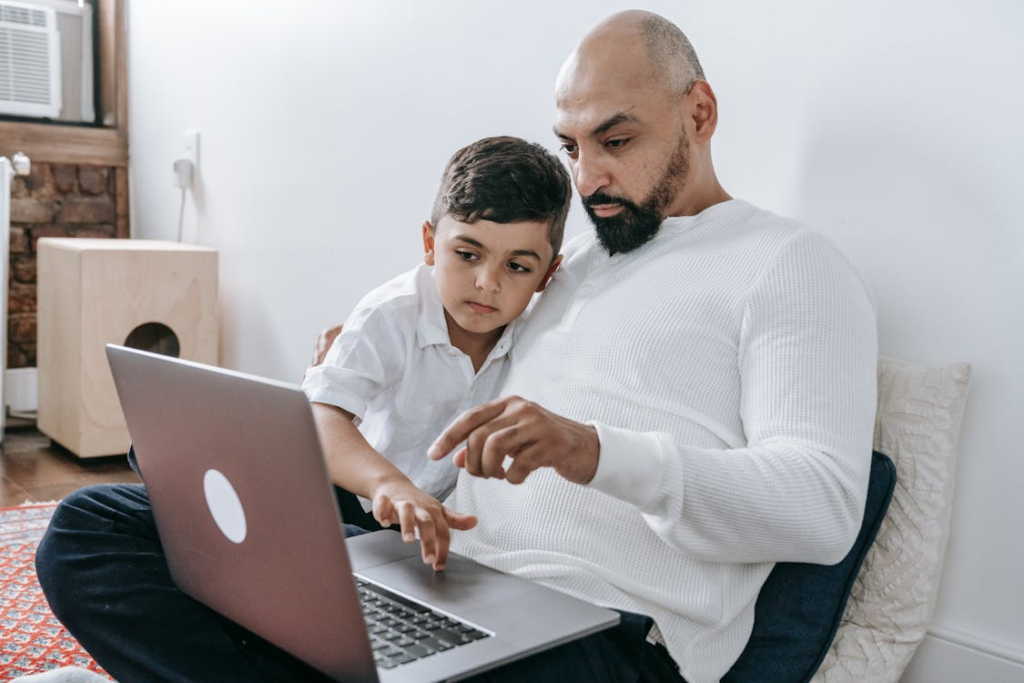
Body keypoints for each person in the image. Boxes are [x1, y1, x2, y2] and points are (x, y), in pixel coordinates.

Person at [35, 10, 877, 683]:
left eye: (615, 141)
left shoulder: (787, 264)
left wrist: (592, 450)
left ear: (700, 111)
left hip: (603, 630)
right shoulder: (563, 266)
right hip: (437, 573)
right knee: (90, 531)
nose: (586, 180)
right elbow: (440, 325)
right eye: (571, 146)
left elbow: (823, 507)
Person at [303, 135, 569, 571]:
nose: (487, 282)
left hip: (436, 529)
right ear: (430, 243)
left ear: (546, 275)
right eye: (467, 254)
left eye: (517, 266)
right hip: (353, 496)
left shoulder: (539, 331)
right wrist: (388, 484)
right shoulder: (390, 314)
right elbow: (319, 418)